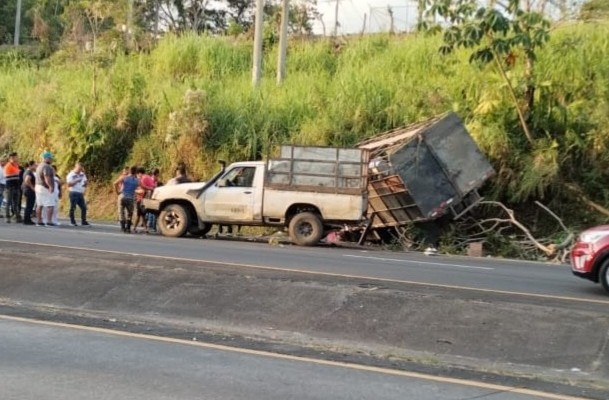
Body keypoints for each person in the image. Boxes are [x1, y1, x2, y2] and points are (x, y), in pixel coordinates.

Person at [35, 151, 56, 227]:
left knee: (39, 204)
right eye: (50, 158)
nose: (51, 159)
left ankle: (39, 221)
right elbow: (46, 177)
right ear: (46, 158)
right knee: (50, 204)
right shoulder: (46, 166)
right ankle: (49, 221)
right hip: (44, 187)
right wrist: (50, 186)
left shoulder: (39, 166)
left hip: (38, 186)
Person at [66, 162, 89, 226]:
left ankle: (83, 221)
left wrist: (85, 183)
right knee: (73, 207)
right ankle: (72, 221)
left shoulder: (82, 174)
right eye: (79, 169)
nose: (80, 171)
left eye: (81, 169)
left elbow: (85, 183)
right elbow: (68, 184)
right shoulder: (70, 175)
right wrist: (76, 181)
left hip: (80, 192)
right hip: (73, 192)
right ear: (75, 167)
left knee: (83, 207)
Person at [119, 166, 139, 233]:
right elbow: (142, 187)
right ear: (136, 172)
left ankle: (123, 227)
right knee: (130, 214)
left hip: (123, 196)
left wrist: (117, 191)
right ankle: (128, 228)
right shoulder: (136, 180)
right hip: (130, 199)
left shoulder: (124, 177)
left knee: (121, 211)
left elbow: (115, 183)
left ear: (130, 171)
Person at [4, 152, 22, 223]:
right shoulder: (8, 165)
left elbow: (17, 174)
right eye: (14, 157)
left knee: (16, 203)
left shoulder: (16, 165)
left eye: (16, 157)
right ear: (10, 158)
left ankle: (16, 216)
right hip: (9, 187)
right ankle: (7, 217)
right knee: (8, 203)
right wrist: (18, 172)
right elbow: (8, 175)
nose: (16, 159)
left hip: (16, 187)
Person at [22, 161, 37, 225]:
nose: (35, 167)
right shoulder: (29, 172)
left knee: (29, 205)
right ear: (30, 166)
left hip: (27, 190)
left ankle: (27, 219)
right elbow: (27, 180)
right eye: (34, 165)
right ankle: (27, 220)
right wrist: (32, 188)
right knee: (29, 205)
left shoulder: (27, 171)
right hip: (29, 190)